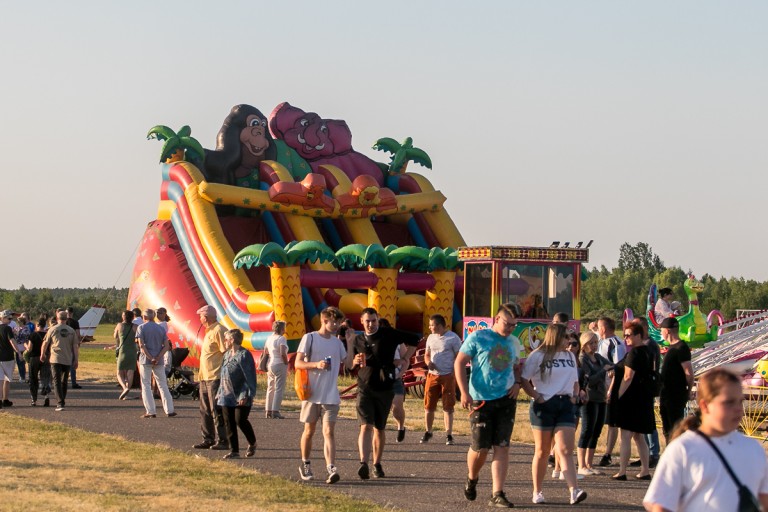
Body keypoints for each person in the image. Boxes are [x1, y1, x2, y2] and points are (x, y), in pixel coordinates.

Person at [643, 368, 768, 512]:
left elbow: (764, 501)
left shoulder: (753, 448)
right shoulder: (683, 449)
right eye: (729, 402)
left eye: (740, 402)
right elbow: (661, 506)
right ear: (704, 405)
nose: (738, 409)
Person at [455, 303, 523, 508]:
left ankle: (498, 492)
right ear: (496, 319)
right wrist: (464, 392)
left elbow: (518, 366)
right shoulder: (478, 337)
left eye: (514, 325)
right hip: (481, 400)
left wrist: (518, 384)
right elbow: (459, 362)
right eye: (507, 324)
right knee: (480, 448)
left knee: (502, 446)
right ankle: (472, 477)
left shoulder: (514, 342)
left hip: (506, 400)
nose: (510, 328)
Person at [345, 308, 419, 480]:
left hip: (385, 387)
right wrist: (354, 358)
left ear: (378, 320)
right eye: (367, 321)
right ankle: (363, 463)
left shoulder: (389, 334)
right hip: (364, 387)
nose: (371, 324)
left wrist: (405, 359)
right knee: (365, 426)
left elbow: (415, 339)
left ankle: (377, 464)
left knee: (379, 428)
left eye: (373, 320)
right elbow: (349, 365)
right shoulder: (358, 339)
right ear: (361, 322)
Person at [522, 323, 587, 506]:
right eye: (566, 337)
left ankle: (574, 490)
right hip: (545, 404)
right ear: (556, 337)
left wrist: (574, 395)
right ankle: (537, 491)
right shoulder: (537, 356)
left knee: (566, 449)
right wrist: (537, 396)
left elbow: (575, 380)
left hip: (565, 403)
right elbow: (524, 380)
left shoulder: (569, 356)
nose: (569, 341)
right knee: (542, 451)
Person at [297, 307, 347, 484]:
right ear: (323, 321)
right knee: (309, 431)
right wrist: (316, 365)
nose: (335, 325)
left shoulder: (337, 343)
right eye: (332, 322)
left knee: (329, 432)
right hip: (311, 394)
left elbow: (347, 363)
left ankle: (331, 468)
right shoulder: (309, 338)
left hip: (331, 395)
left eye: (338, 322)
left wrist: (351, 342)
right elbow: (298, 363)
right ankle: (305, 463)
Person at [610, 322, 654, 481]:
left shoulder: (635, 353)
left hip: (631, 398)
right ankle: (645, 470)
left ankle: (622, 471)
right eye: (625, 335)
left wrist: (618, 396)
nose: (626, 338)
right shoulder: (649, 351)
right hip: (643, 398)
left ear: (638, 336)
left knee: (626, 435)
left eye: (629, 335)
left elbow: (628, 377)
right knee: (639, 436)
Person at [216, 329, 257, 459]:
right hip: (226, 394)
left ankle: (252, 442)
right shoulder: (227, 355)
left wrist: (244, 395)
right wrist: (219, 391)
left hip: (241, 394)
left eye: (226, 339)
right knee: (229, 422)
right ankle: (235, 451)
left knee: (240, 420)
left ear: (232, 340)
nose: (224, 341)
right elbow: (223, 374)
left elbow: (249, 377)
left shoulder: (244, 355)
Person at [421, 314, 462, 446]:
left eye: (432, 325)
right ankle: (428, 431)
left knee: (448, 405)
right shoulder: (431, 338)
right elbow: (426, 355)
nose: (430, 327)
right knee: (428, 405)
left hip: (448, 375)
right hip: (432, 375)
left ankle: (449, 434)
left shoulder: (453, 338)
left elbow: (459, 357)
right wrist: (428, 363)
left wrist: (455, 372)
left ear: (439, 325)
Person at [577, 331, 612, 475]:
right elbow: (589, 379)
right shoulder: (583, 359)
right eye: (591, 343)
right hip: (589, 398)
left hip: (601, 397)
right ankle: (581, 464)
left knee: (596, 430)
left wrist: (611, 370)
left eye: (596, 342)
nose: (594, 346)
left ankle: (589, 463)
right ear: (584, 345)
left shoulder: (598, 357)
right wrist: (603, 371)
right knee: (587, 430)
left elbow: (612, 365)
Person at [193, 305, 228, 450]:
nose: (199, 319)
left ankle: (223, 440)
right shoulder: (209, 331)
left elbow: (226, 352)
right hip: (205, 377)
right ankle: (208, 438)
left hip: (216, 376)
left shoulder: (219, 330)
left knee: (217, 410)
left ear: (205, 317)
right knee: (205, 410)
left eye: (200, 316)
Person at [630, 317, 661, 468]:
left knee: (649, 422)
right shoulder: (643, 345)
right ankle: (646, 453)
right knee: (643, 422)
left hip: (647, 386)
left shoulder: (650, 345)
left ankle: (653, 453)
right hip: (640, 387)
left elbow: (653, 366)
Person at [596, 316, 626, 467]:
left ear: (604, 328)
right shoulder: (600, 342)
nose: (598, 329)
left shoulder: (616, 344)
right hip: (599, 387)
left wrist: (611, 389)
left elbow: (618, 368)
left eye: (599, 327)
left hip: (611, 388)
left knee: (612, 422)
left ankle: (608, 453)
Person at [659, 317, 694, 443]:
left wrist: (688, 391)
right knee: (667, 429)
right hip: (666, 394)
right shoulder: (671, 348)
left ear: (667, 331)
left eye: (662, 330)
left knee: (674, 429)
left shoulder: (681, 347)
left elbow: (688, 373)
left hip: (675, 395)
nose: (661, 333)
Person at [136, 309, 175, 418]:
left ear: (144, 317)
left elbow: (142, 345)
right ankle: (169, 409)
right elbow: (166, 346)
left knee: (146, 385)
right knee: (163, 384)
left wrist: (150, 357)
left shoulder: (141, 328)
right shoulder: (161, 328)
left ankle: (151, 411)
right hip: (159, 360)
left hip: (146, 360)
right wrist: (158, 357)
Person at [40, 310, 79, 411]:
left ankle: (60, 402)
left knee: (56, 381)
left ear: (57, 318)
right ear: (67, 318)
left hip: (55, 358)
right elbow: (75, 347)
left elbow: (45, 343)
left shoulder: (52, 329)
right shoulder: (71, 331)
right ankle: (62, 399)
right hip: (67, 358)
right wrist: (76, 360)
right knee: (64, 381)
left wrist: (42, 354)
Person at [264, 320, 288, 419]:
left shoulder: (269, 338)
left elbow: (265, 351)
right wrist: (286, 362)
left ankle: (268, 410)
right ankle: (275, 410)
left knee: (270, 388)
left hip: (270, 364)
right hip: (279, 363)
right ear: (282, 329)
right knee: (279, 388)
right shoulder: (281, 338)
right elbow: (283, 352)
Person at [26, 317, 52, 407]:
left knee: (33, 378)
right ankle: (46, 396)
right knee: (45, 377)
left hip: (34, 358)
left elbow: (29, 349)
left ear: (37, 325)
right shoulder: (47, 334)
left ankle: (34, 399)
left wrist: (25, 346)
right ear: (45, 326)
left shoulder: (33, 335)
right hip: (46, 357)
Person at [113, 310, 138, 400]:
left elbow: (115, 336)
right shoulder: (135, 327)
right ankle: (127, 389)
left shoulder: (120, 325)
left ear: (123, 317)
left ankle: (125, 388)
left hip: (122, 350)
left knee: (119, 372)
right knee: (130, 372)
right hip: (132, 351)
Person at [0, 311, 21, 407]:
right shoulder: (7, 329)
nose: (10, 320)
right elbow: (12, 341)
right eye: (8, 318)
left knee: (0, 379)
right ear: (2, 318)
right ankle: (5, 399)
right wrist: (18, 352)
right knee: (7, 379)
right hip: (7, 357)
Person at [65, 307, 83, 389]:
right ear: (72, 313)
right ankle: (73, 382)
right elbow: (77, 334)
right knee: (73, 364)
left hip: (64, 345)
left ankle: (63, 381)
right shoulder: (75, 322)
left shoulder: (63, 322)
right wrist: (78, 343)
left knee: (64, 364)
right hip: (72, 345)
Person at [14, 312, 32, 383]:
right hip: (18, 348)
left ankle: (29, 377)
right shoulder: (16, 328)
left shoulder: (26, 329)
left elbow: (24, 338)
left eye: (19, 321)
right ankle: (22, 376)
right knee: (19, 363)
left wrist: (17, 334)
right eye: (17, 321)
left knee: (27, 362)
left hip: (25, 348)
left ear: (23, 322)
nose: (18, 323)